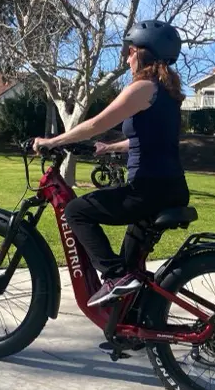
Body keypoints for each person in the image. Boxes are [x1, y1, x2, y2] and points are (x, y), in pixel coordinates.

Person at [33, 20, 189, 307]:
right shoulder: (167, 94)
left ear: (142, 53)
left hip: (147, 190)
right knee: (133, 265)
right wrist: (110, 148)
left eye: (130, 51)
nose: (128, 57)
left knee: (76, 210)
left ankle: (114, 275)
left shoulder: (144, 87)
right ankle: (129, 320)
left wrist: (53, 141)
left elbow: (95, 123)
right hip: (169, 188)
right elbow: (149, 139)